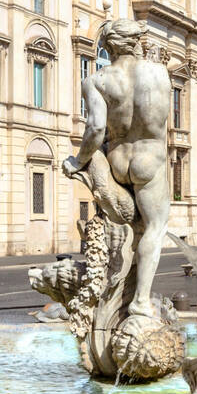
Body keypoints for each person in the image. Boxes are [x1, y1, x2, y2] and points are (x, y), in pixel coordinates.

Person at [64, 19, 171, 318]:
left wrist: (77, 161)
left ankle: (112, 291)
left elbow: (96, 128)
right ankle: (140, 300)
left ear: (108, 47)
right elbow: (162, 122)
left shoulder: (96, 80)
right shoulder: (159, 74)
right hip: (149, 160)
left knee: (121, 226)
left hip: (116, 160)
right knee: (153, 227)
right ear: (136, 43)